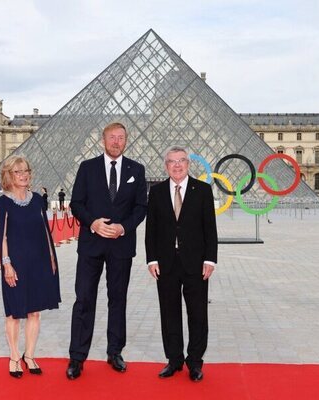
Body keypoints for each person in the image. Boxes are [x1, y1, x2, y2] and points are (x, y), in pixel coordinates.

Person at [66, 122, 147, 379]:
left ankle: (115, 352)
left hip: (121, 244)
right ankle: (77, 357)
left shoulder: (137, 169)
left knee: (118, 300)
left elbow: (141, 208)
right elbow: (76, 203)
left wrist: (123, 227)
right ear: (103, 139)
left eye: (120, 137)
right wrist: (92, 223)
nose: (116, 142)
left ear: (126, 140)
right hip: (91, 243)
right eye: (112, 137)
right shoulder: (87, 168)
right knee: (84, 300)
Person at [145, 146, 218, 382]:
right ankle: (174, 359)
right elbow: (151, 229)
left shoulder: (203, 190)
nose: (177, 165)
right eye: (172, 161)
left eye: (181, 161)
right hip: (165, 262)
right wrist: (151, 259)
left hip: (196, 262)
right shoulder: (155, 192)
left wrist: (210, 259)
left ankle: (195, 361)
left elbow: (210, 229)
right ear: (165, 165)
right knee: (169, 312)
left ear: (189, 163)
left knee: (198, 313)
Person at [0, 155, 61, 378]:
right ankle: (14, 356)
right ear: (8, 176)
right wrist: (7, 265)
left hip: (39, 261)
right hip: (16, 264)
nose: (23, 175)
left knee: (34, 311)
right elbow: (1, 237)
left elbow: (45, 231)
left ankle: (29, 355)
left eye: (26, 171)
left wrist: (52, 258)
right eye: (18, 172)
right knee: (14, 312)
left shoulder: (37, 201)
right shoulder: (2, 203)